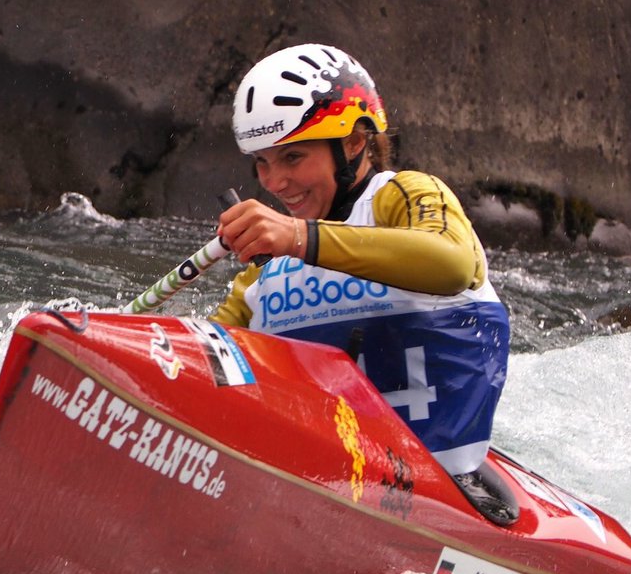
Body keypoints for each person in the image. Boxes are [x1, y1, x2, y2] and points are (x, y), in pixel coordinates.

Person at [213, 43, 510, 482]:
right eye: (262, 163)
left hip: (442, 483)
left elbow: (452, 264)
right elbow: (209, 358)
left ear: (353, 142)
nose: (274, 182)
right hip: (329, 481)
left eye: (293, 157)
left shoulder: (402, 195)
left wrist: (297, 237)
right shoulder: (266, 269)